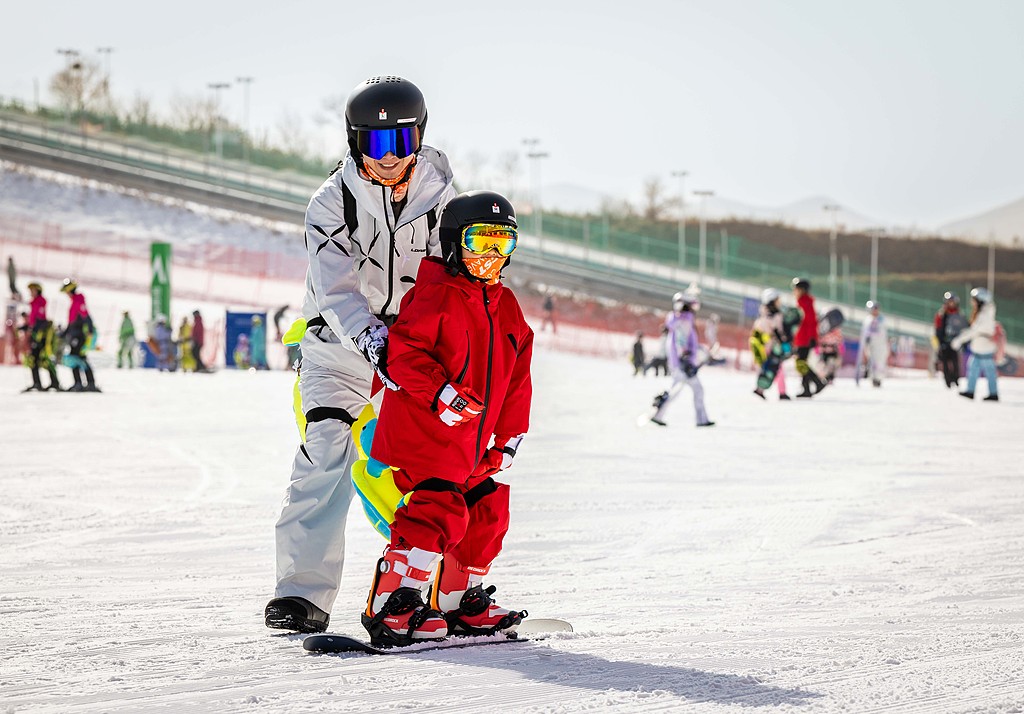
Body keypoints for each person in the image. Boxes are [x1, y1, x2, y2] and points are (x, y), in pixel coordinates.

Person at [266, 76, 457, 634]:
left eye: (402, 143)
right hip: (341, 344)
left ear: (420, 137)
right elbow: (338, 291)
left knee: (429, 467)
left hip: (415, 348)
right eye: (376, 145)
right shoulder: (331, 204)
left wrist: (428, 350)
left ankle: (434, 588)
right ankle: (301, 595)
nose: (391, 159)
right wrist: (373, 341)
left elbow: (453, 279)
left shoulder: (444, 198)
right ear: (355, 143)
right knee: (325, 447)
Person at [359, 190, 532, 646]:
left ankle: (460, 602)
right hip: (427, 432)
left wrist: (511, 433)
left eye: (503, 244)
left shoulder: (507, 306)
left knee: (487, 510)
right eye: (481, 243)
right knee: (437, 508)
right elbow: (402, 355)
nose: (491, 257)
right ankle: (394, 601)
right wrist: (440, 391)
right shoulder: (434, 295)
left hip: (474, 443)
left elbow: (518, 377)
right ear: (455, 244)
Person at [649, 288, 714, 427]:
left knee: (686, 389)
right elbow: (681, 342)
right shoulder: (683, 321)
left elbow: (689, 341)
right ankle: (659, 414)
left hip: (681, 361)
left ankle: (659, 415)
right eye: (692, 305)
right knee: (680, 389)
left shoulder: (680, 320)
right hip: (682, 363)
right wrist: (685, 359)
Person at [952, 288, 999, 401]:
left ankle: (992, 393)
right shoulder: (984, 313)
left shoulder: (984, 315)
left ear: (980, 301)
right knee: (973, 369)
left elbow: (974, 331)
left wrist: (959, 340)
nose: (972, 302)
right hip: (980, 347)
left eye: (974, 300)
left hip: (984, 348)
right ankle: (971, 391)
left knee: (988, 371)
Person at [751, 288, 792, 400]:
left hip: (765, 345)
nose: (779, 302)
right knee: (775, 368)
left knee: (769, 368)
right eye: (777, 300)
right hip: (772, 346)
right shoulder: (774, 316)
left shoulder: (763, 314)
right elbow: (778, 331)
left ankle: (761, 389)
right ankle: (780, 392)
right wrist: (784, 343)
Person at [60, 279, 99, 392]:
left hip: (79, 336)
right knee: (78, 358)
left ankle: (82, 383)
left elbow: (86, 317)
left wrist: (90, 330)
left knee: (75, 357)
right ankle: (85, 383)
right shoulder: (74, 301)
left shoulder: (78, 301)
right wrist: (65, 333)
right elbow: (71, 322)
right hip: (74, 335)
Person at [21, 282, 61, 392]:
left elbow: (40, 321)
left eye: (32, 290)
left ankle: (54, 383)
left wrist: (32, 330)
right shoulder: (34, 303)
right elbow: (33, 321)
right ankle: (38, 383)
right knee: (34, 359)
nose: (31, 292)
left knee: (44, 360)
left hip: (41, 336)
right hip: (36, 335)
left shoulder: (40, 302)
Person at [791, 277, 827, 398]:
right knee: (802, 363)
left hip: (805, 339)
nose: (794, 291)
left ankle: (817, 382)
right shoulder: (802, 302)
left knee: (800, 362)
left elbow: (811, 322)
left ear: (802, 290)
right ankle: (807, 388)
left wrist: (812, 338)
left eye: (796, 289)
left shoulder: (805, 303)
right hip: (802, 338)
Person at [933, 292, 966, 389]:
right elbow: (938, 329)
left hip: (955, 342)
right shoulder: (941, 314)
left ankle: (955, 379)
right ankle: (947, 380)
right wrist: (940, 342)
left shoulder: (959, 313)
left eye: (952, 302)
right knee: (945, 362)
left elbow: (963, 327)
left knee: (955, 361)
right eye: (949, 302)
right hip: (944, 341)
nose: (951, 304)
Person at [858, 301, 890, 387]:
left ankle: (878, 379)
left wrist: (872, 334)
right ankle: (873, 378)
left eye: (876, 308)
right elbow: (864, 332)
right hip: (870, 345)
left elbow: (881, 333)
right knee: (871, 363)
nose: (875, 310)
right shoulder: (868, 319)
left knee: (879, 362)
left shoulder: (881, 319)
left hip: (880, 345)